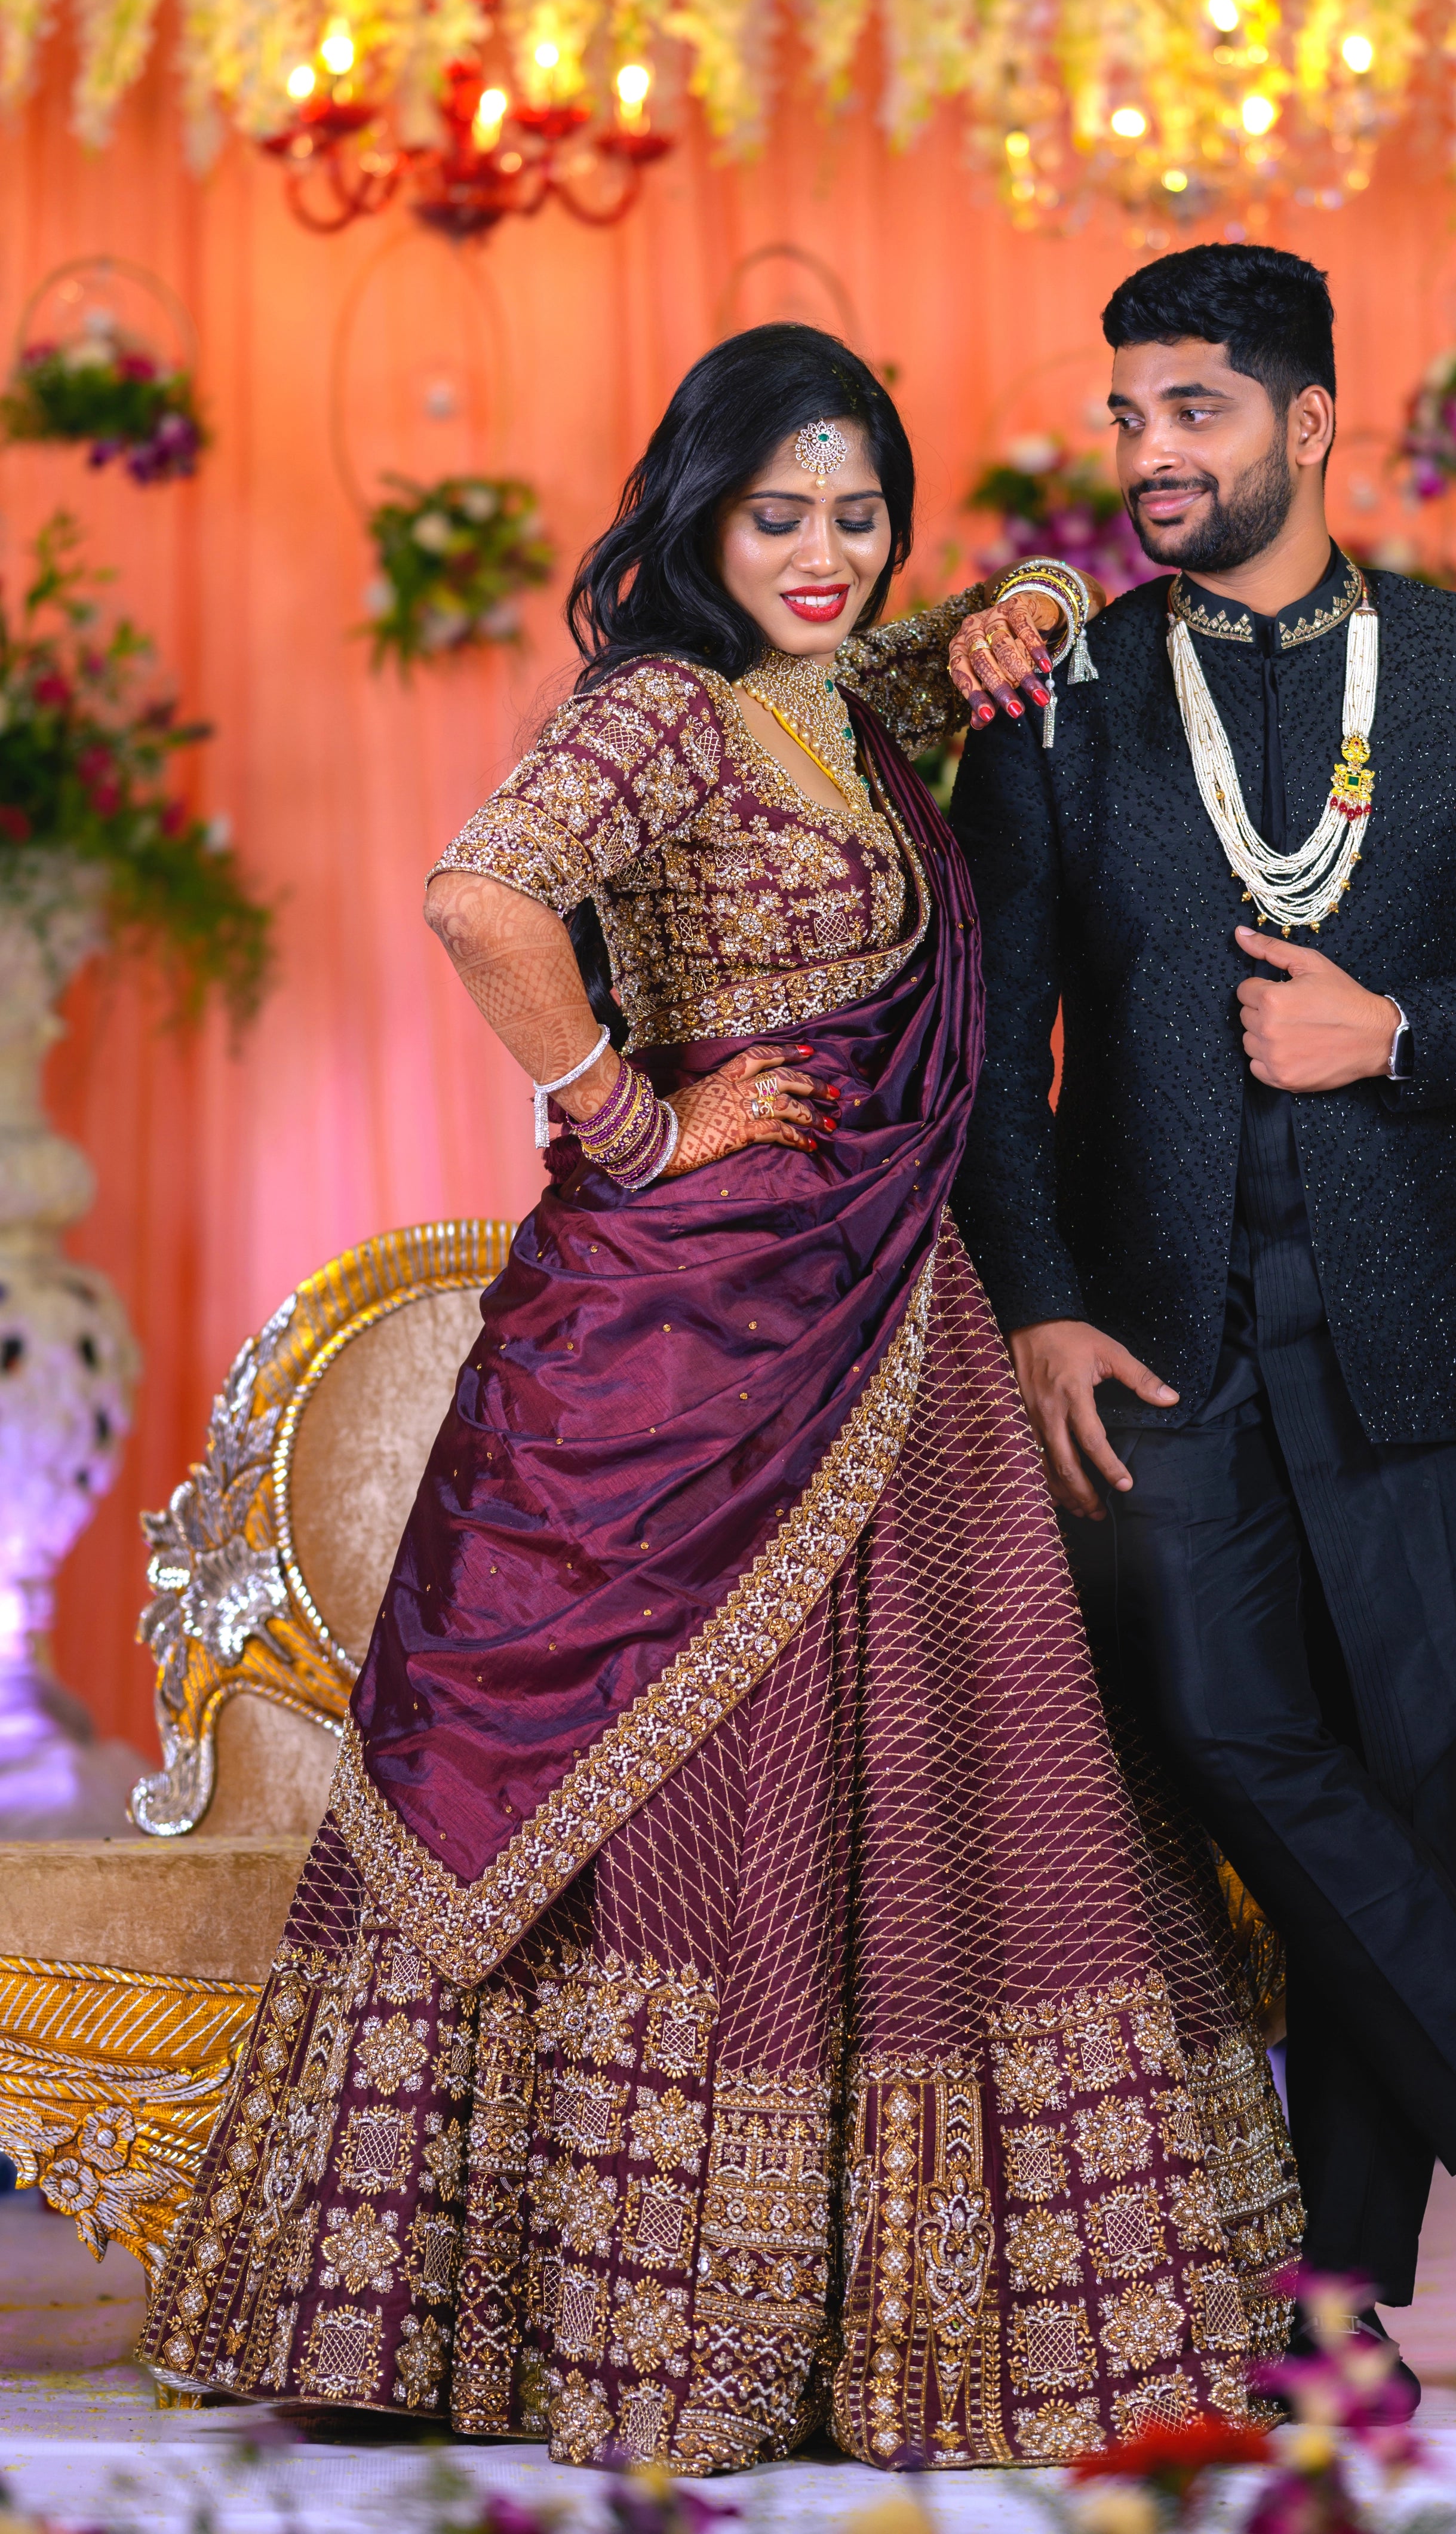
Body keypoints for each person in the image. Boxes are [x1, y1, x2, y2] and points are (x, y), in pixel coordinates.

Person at [141, 323, 1300, 2475]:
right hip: (686, 1341)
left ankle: (918, 2306)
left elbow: (968, 641)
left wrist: (1029, 603)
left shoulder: (833, 697)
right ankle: (639, 2308)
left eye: (862, 514)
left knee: (957, 1765)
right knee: (701, 1782)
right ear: (701, 518)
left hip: (884, 1300)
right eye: (784, 516)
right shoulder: (666, 709)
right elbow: (481, 890)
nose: (832, 552)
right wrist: (629, 1118)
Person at [947, 244, 1456, 2410]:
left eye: (1193, 410)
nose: (1152, 455)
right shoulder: (1060, 689)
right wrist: (1046, 1311)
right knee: (1230, 1731)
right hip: (1158, 1330)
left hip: (1416, 1331)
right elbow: (997, 1050)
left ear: (1309, 422)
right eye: (1129, 416)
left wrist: (1401, 1033)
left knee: (1399, 1779)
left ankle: (1341, 2317)